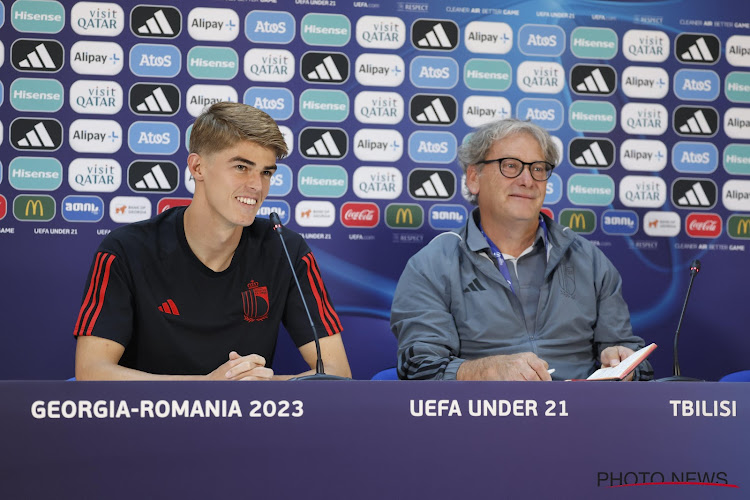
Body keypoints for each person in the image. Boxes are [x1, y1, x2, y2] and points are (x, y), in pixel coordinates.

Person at [74, 102, 351, 381]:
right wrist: (209, 390)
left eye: (266, 172)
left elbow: (338, 374)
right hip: (149, 421)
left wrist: (252, 387)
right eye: (242, 167)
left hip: (248, 421)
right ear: (197, 167)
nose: (257, 185)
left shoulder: (286, 250)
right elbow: (91, 372)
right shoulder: (126, 250)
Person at [391, 118, 652, 381]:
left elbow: (636, 362)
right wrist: (486, 371)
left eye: (538, 168)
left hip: (578, 415)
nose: (528, 180)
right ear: (474, 178)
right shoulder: (432, 264)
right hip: (482, 415)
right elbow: (420, 368)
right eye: (511, 166)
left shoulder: (589, 260)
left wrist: (624, 361)